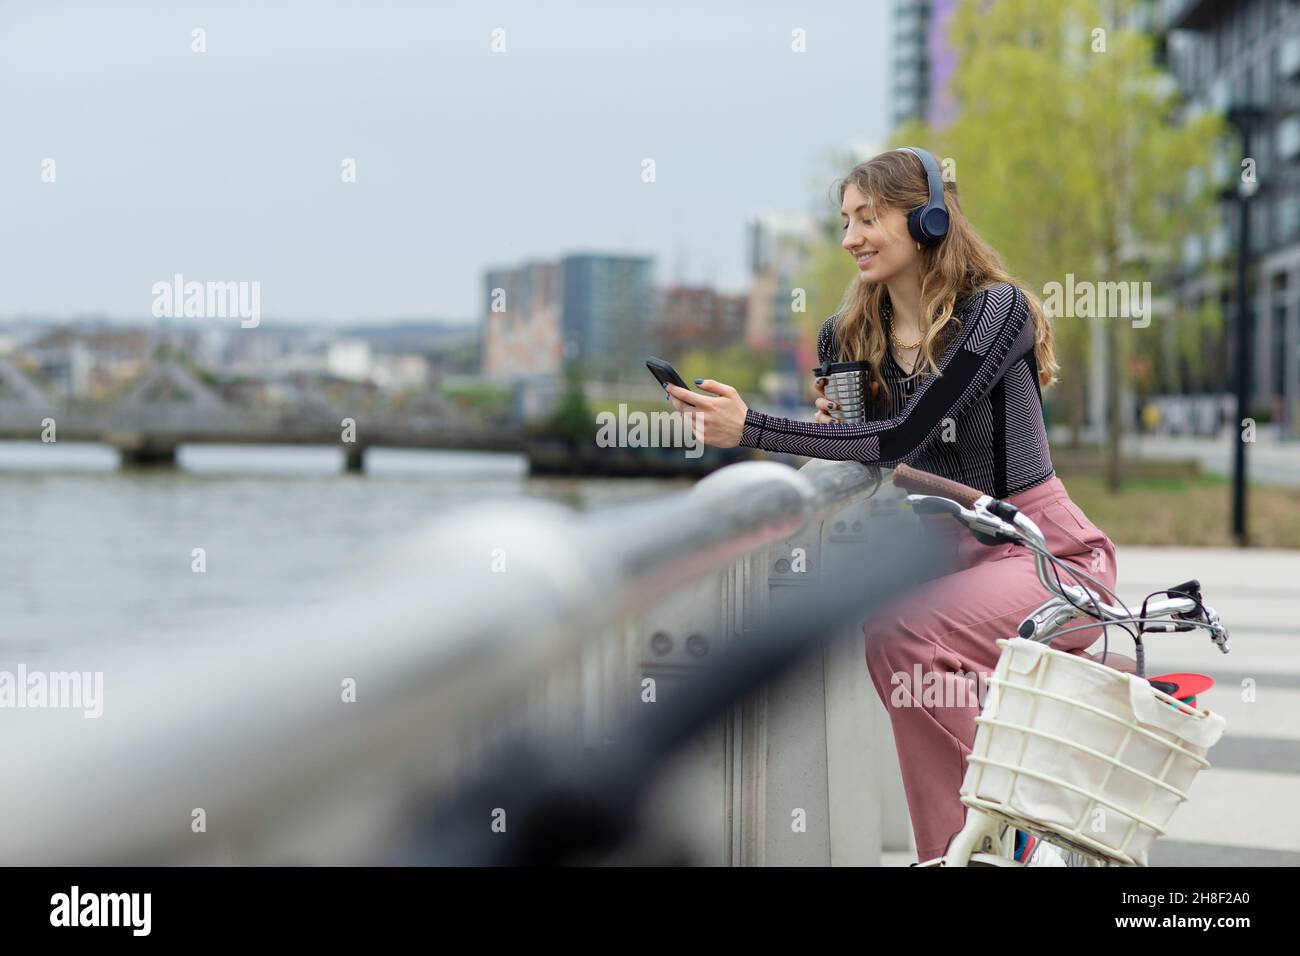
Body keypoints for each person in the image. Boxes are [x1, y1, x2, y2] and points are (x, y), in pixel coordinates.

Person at [664, 146, 1117, 864]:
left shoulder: (996, 311)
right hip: (950, 561)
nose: (850, 239)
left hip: (1047, 557)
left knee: (900, 632)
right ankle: (956, 854)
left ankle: (1016, 834)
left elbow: (902, 436)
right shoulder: (852, 338)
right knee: (906, 660)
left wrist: (751, 427)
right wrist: (841, 426)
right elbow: (871, 448)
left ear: (929, 218)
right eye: (845, 220)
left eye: (869, 218)